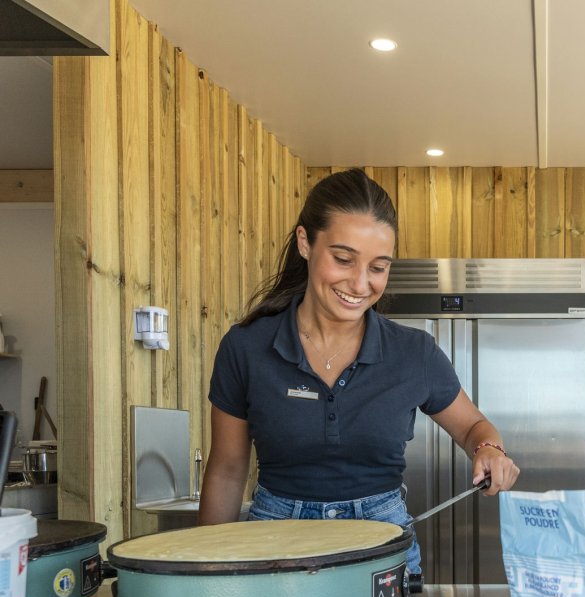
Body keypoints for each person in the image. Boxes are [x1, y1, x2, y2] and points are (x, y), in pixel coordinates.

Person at [198, 168, 520, 575]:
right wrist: (205, 571)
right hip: (274, 544)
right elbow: (227, 471)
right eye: (343, 259)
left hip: (382, 547)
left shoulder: (414, 352)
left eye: (378, 267)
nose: (360, 283)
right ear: (305, 243)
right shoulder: (246, 347)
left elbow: (474, 427)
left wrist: (489, 450)